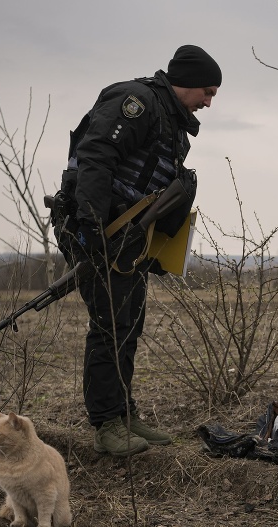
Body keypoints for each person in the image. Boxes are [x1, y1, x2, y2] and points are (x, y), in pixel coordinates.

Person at [59, 45, 221, 456]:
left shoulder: (173, 122)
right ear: (184, 81)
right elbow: (96, 156)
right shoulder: (137, 102)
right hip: (99, 231)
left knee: (129, 323)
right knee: (110, 326)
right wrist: (92, 226)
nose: (208, 101)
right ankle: (106, 425)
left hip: (129, 239)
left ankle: (125, 414)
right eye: (207, 91)